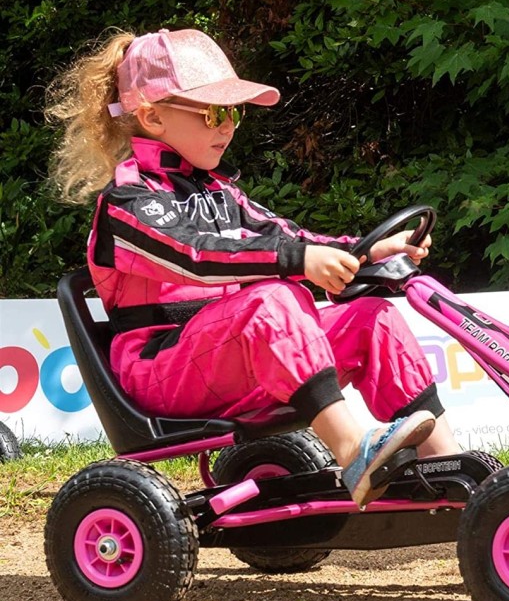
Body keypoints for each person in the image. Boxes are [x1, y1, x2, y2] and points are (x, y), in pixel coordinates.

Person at [46, 27, 462, 506]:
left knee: (373, 319)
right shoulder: (129, 201)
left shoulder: (220, 193)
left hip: (227, 356)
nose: (228, 127)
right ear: (152, 116)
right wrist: (297, 262)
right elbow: (194, 256)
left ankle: (449, 468)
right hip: (161, 370)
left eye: (234, 113)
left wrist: (367, 252)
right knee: (273, 299)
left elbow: (289, 238)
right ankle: (353, 451)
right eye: (214, 113)